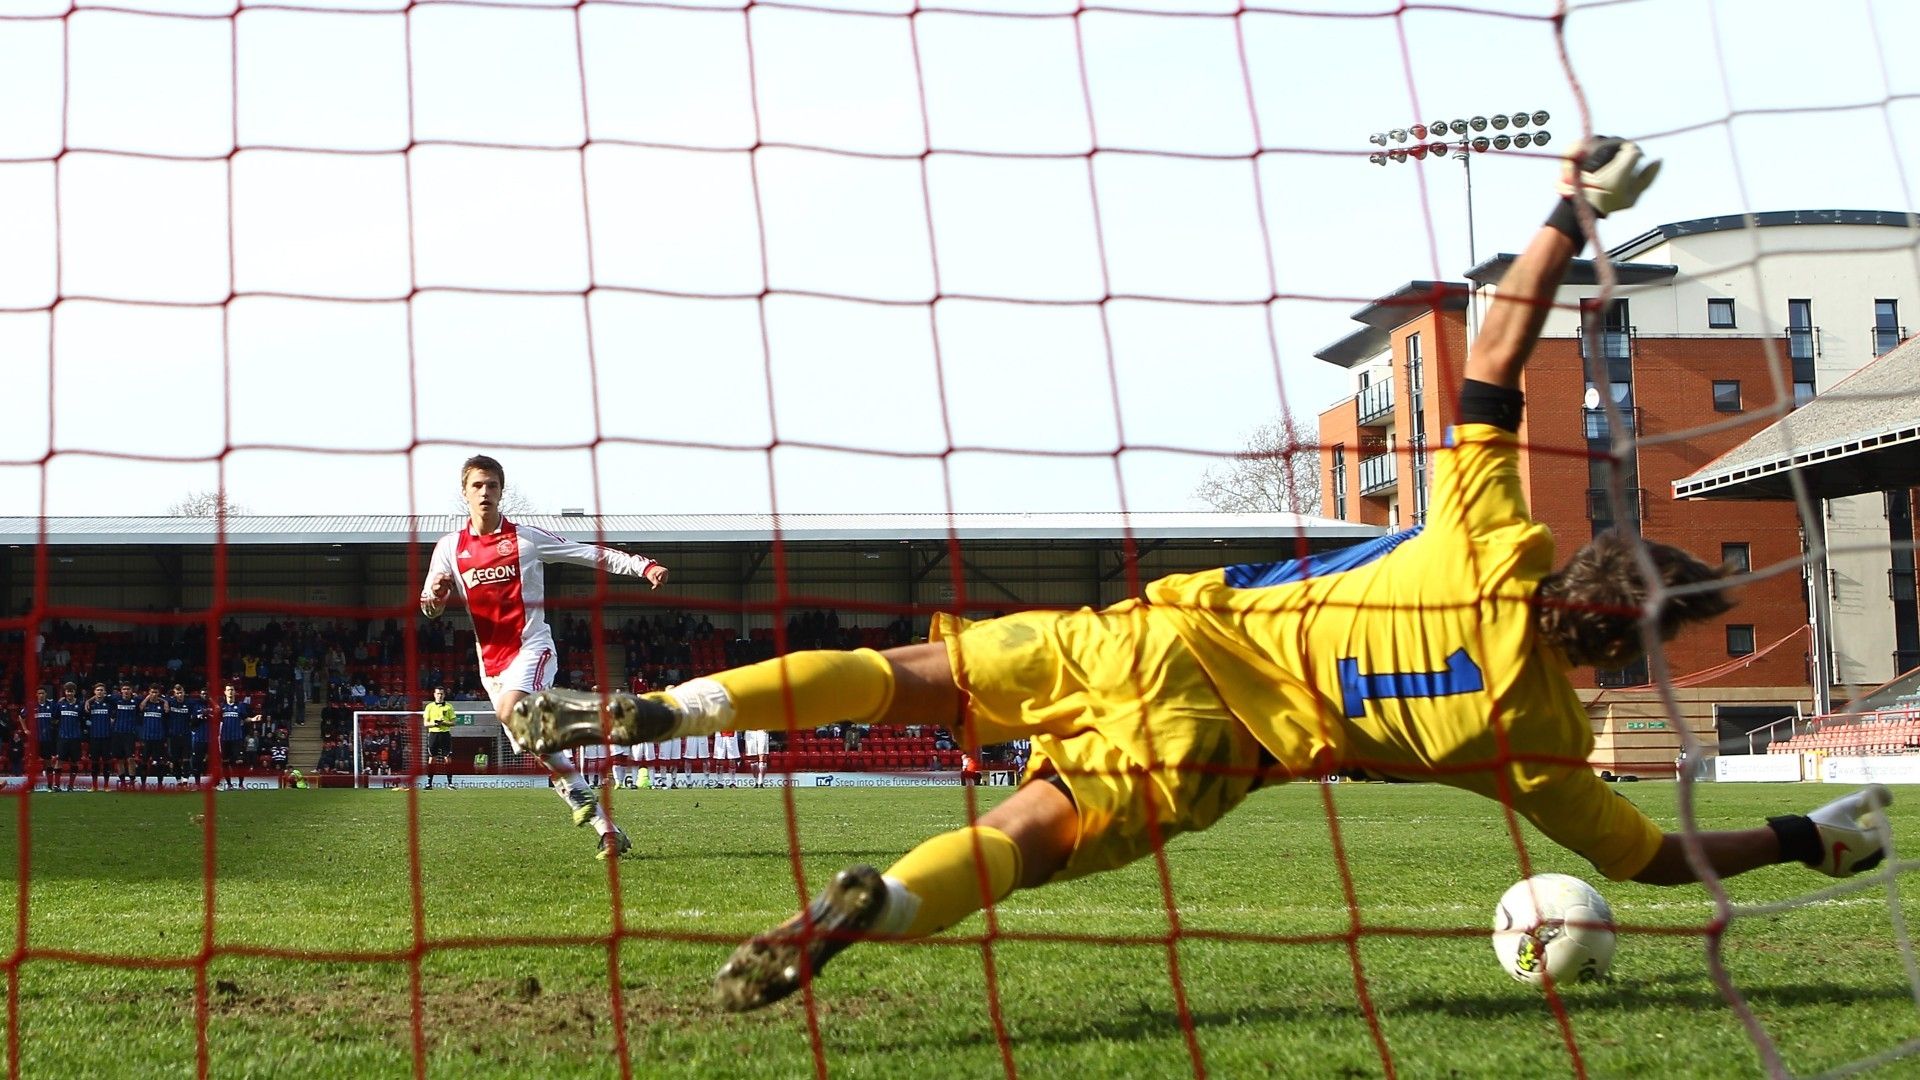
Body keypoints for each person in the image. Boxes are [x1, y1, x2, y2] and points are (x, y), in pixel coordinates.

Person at [507, 138, 1897, 1012]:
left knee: (908, 675)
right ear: (1619, 651)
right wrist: (1806, 838)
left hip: (1156, 638)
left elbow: (1489, 353)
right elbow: (1653, 860)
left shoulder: (1487, 535)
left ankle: (669, 709)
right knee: (1030, 832)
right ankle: (876, 908)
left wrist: (1566, 209)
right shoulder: (1531, 738)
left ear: (1580, 561)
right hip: (1214, 751)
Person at [419, 454, 669, 859]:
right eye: (477, 485)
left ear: (501, 491)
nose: (485, 492)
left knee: (510, 711)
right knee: (541, 748)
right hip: (492, 667)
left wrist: (642, 566)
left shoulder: (525, 539)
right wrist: (437, 596)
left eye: (492, 485)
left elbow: (585, 552)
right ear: (464, 492)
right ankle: (607, 830)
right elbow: (428, 606)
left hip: (533, 648)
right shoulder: (449, 548)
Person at [423, 687, 457, 789]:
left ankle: (450, 783)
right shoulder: (429, 707)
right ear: (434, 695)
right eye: (438, 693)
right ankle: (429, 783)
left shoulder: (449, 707)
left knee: (447, 758)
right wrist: (435, 724)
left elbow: (453, 723)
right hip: (433, 734)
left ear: (444, 695)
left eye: (441, 694)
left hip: (445, 734)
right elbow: (425, 723)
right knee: (432, 758)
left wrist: (444, 723)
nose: (440, 696)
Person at [218, 684, 251, 790]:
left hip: (237, 738)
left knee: (240, 761)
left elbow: (245, 719)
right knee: (225, 762)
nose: (230, 692)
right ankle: (229, 785)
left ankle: (241, 784)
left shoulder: (240, 706)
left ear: (235, 692)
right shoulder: (221, 707)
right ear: (225, 692)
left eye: (232, 690)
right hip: (225, 738)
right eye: (228, 690)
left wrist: (253, 719)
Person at [137, 684, 169, 790]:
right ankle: (143, 784)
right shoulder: (145, 704)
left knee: (159, 762)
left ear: (158, 693)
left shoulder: (162, 705)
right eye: (152, 692)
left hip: (158, 738)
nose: (154, 694)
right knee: (144, 762)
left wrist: (164, 701)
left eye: (156, 692)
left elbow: (167, 711)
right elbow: (140, 707)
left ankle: (160, 784)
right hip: (146, 738)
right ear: (149, 692)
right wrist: (147, 698)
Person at [54, 683, 85, 792]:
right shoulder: (60, 704)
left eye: (71, 691)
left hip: (75, 738)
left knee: (74, 762)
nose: (69, 693)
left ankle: (70, 786)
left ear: (74, 692)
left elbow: (82, 720)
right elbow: (55, 718)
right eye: (67, 691)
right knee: (59, 761)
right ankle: (56, 786)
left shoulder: (80, 705)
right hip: (63, 737)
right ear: (65, 692)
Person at [85, 683, 113, 792]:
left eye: (101, 690)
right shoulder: (90, 705)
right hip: (94, 737)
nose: (100, 692)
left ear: (105, 692)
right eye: (98, 690)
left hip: (106, 737)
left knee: (106, 762)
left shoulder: (109, 703)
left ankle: (106, 785)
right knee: (94, 762)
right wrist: (88, 701)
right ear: (94, 692)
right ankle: (94, 786)